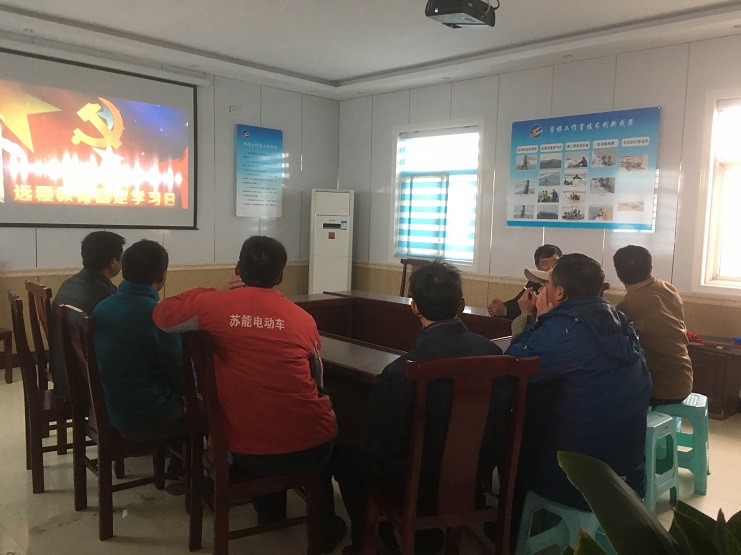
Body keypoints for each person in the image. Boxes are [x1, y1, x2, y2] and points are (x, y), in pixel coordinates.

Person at [152, 236, 346, 553]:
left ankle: (269, 510)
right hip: (309, 448)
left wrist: (214, 291)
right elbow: (317, 379)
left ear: (238, 269)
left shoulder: (212, 307)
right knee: (324, 432)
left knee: (258, 418)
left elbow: (162, 314)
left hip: (243, 451)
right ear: (280, 276)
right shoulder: (303, 320)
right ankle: (324, 526)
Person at [335, 262, 511, 555]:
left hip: (418, 485)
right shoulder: (495, 355)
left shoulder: (403, 370)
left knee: (344, 455)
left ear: (414, 307)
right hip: (476, 476)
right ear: (461, 305)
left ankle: (376, 542)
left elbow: (379, 445)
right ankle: (427, 535)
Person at [506, 254, 651, 514]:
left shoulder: (562, 329)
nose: (542, 290)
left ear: (559, 292)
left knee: (512, 435)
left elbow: (514, 369)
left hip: (574, 479)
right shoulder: (620, 322)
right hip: (628, 475)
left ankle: (512, 526)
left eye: (547, 284)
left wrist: (534, 319)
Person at [92, 239, 186, 442]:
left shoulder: (102, 307)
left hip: (114, 411)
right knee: (214, 406)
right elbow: (182, 373)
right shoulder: (158, 315)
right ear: (162, 275)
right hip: (148, 417)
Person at [48, 231, 125, 400]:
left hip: (63, 376)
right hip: (85, 387)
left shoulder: (69, 284)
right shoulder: (105, 296)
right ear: (113, 262)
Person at [614, 245, 693, 405]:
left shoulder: (629, 305)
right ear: (650, 267)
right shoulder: (667, 288)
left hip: (661, 387)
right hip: (683, 378)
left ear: (618, 273)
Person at [487, 244, 561, 319]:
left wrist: (505, 310)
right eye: (545, 263)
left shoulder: (564, 283)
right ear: (537, 266)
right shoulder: (535, 282)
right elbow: (519, 302)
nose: (551, 268)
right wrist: (502, 307)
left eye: (555, 263)